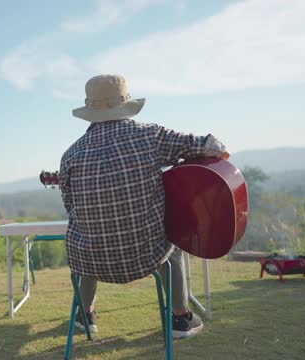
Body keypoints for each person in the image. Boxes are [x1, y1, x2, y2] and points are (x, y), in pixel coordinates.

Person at [59, 74, 229, 339]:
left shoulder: (70, 154)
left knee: (87, 240)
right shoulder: (150, 136)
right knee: (171, 248)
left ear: (90, 109)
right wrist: (219, 153)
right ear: (124, 104)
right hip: (145, 255)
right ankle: (179, 318)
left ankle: (85, 314)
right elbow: (208, 145)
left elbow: (71, 208)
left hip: (91, 261)